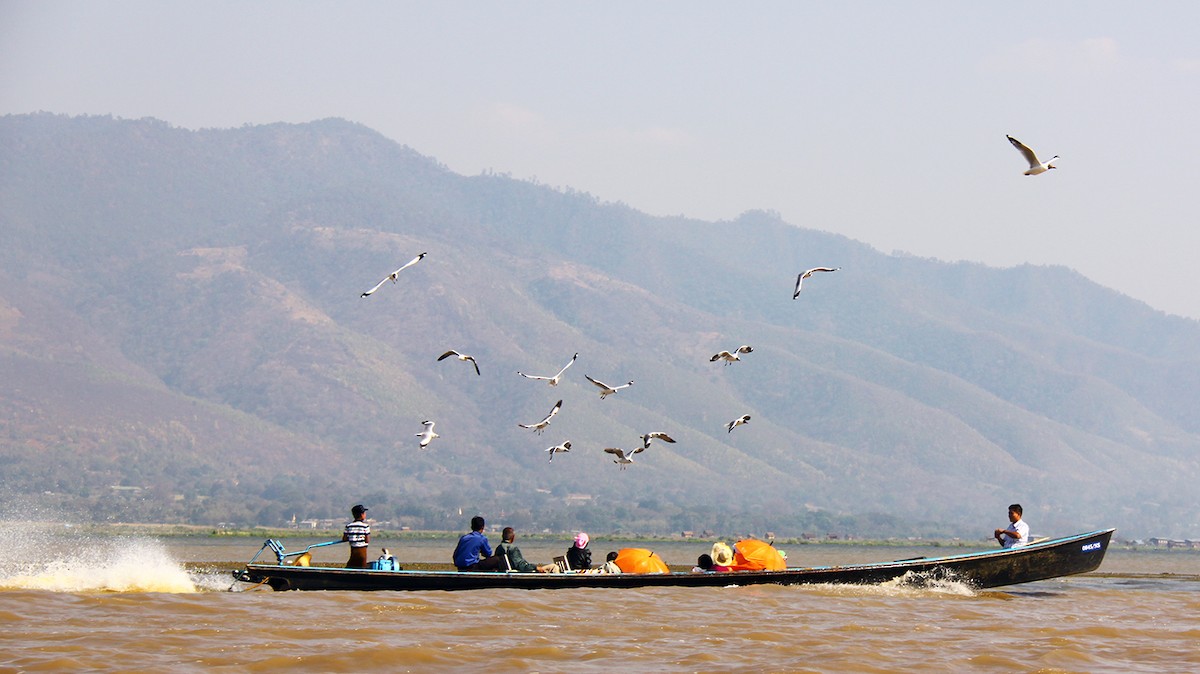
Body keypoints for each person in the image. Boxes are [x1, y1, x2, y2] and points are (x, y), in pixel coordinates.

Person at [341, 504, 370, 569]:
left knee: (350, 566)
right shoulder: (365, 526)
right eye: (364, 513)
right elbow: (367, 540)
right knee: (362, 567)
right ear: (362, 515)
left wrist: (352, 538)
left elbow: (344, 539)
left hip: (354, 551)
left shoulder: (349, 526)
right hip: (362, 552)